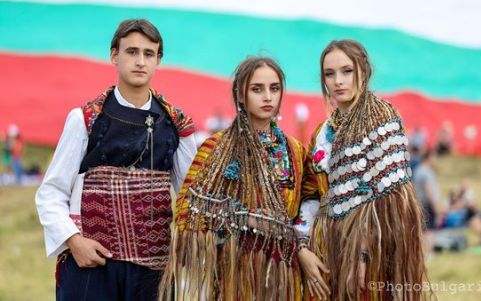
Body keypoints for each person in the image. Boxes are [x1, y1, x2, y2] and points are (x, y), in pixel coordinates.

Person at [35, 19, 197, 301]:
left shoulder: (176, 126)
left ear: (159, 60)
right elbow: (51, 192)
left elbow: (192, 200)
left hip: (153, 272)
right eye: (131, 52)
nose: (140, 61)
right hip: (91, 267)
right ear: (114, 56)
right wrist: (74, 242)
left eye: (149, 54)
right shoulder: (86, 119)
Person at [160, 57, 305, 300]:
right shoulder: (215, 148)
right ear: (240, 94)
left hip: (284, 276)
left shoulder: (296, 151)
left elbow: (307, 207)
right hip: (233, 275)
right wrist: (245, 221)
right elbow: (186, 211)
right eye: (257, 89)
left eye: (274, 88)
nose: (267, 97)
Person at [295, 40, 429, 300]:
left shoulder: (383, 119)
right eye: (329, 74)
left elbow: (390, 201)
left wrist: (364, 253)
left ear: (363, 72)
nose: (338, 81)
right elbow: (310, 194)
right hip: (326, 250)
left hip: (373, 254)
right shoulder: (321, 132)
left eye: (347, 71)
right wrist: (302, 249)